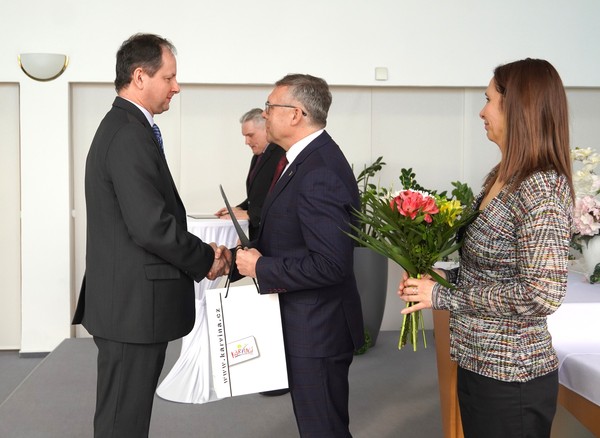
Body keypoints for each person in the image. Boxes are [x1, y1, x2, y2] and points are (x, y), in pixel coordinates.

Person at [398, 58, 573, 438]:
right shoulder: (504, 176)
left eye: (489, 100)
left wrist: (443, 296)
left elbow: (541, 294)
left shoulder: (540, 188)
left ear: (518, 109)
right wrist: (441, 277)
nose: (482, 111)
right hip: (479, 360)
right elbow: (489, 270)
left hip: (512, 373)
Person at [72, 33, 229, 438]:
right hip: (132, 308)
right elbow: (151, 226)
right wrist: (206, 259)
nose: (176, 87)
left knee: (126, 418)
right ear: (140, 76)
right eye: (169, 77)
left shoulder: (129, 126)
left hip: (129, 304)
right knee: (123, 422)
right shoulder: (128, 133)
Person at [234, 74, 364, 437]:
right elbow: (288, 237)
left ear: (296, 114)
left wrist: (261, 267)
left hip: (317, 329)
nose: (265, 113)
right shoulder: (303, 160)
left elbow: (331, 264)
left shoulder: (319, 170)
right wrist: (236, 260)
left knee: (322, 429)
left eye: (270, 106)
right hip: (308, 323)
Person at [214, 108, 285, 240]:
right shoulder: (257, 156)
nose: (246, 142)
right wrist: (239, 209)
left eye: (250, 135)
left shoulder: (281, 155)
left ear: (266, 128)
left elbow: (281, 199)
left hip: (273, 235)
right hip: (257, 235)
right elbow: (258, 196)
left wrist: (251, 214)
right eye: (245, 136)